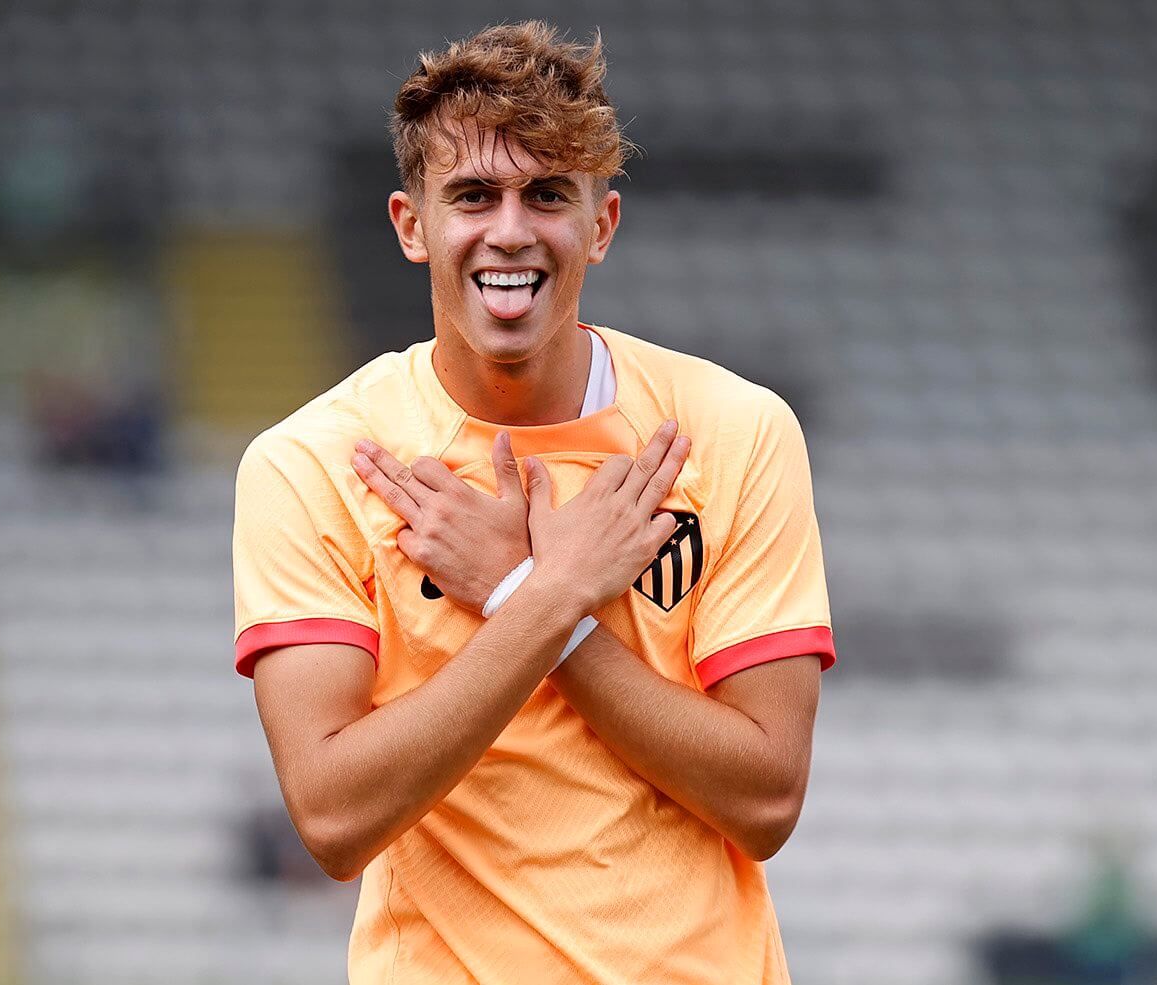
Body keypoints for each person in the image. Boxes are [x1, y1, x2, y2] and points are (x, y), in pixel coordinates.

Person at [231, 20, 835, 984]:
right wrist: (549, 593)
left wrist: (516, 591)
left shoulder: (730, 430)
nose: (509, 230)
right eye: (472, 195)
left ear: (600, 225)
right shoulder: (312, 463)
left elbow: (765, 800)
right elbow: (334, 819)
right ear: (410, 224)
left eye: (547, 194)